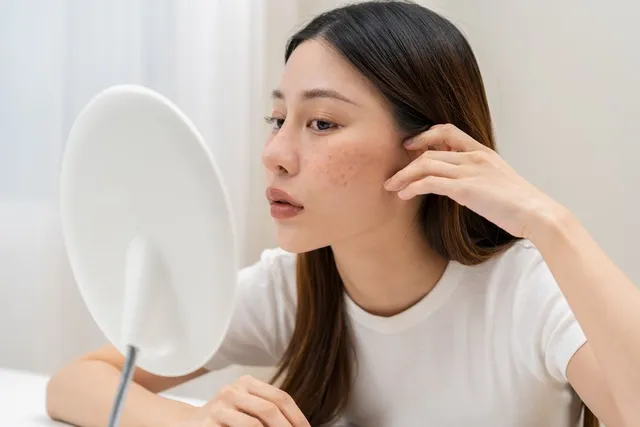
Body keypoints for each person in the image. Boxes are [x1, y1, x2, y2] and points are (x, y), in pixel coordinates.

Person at [46, 1, 640, 426]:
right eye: (278, 119)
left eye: (322, 123)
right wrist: (192, 421)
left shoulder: (524, 293)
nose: (275, 154)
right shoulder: (292, 288)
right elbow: (75, 383)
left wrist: (551, 224)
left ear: (428, 148)